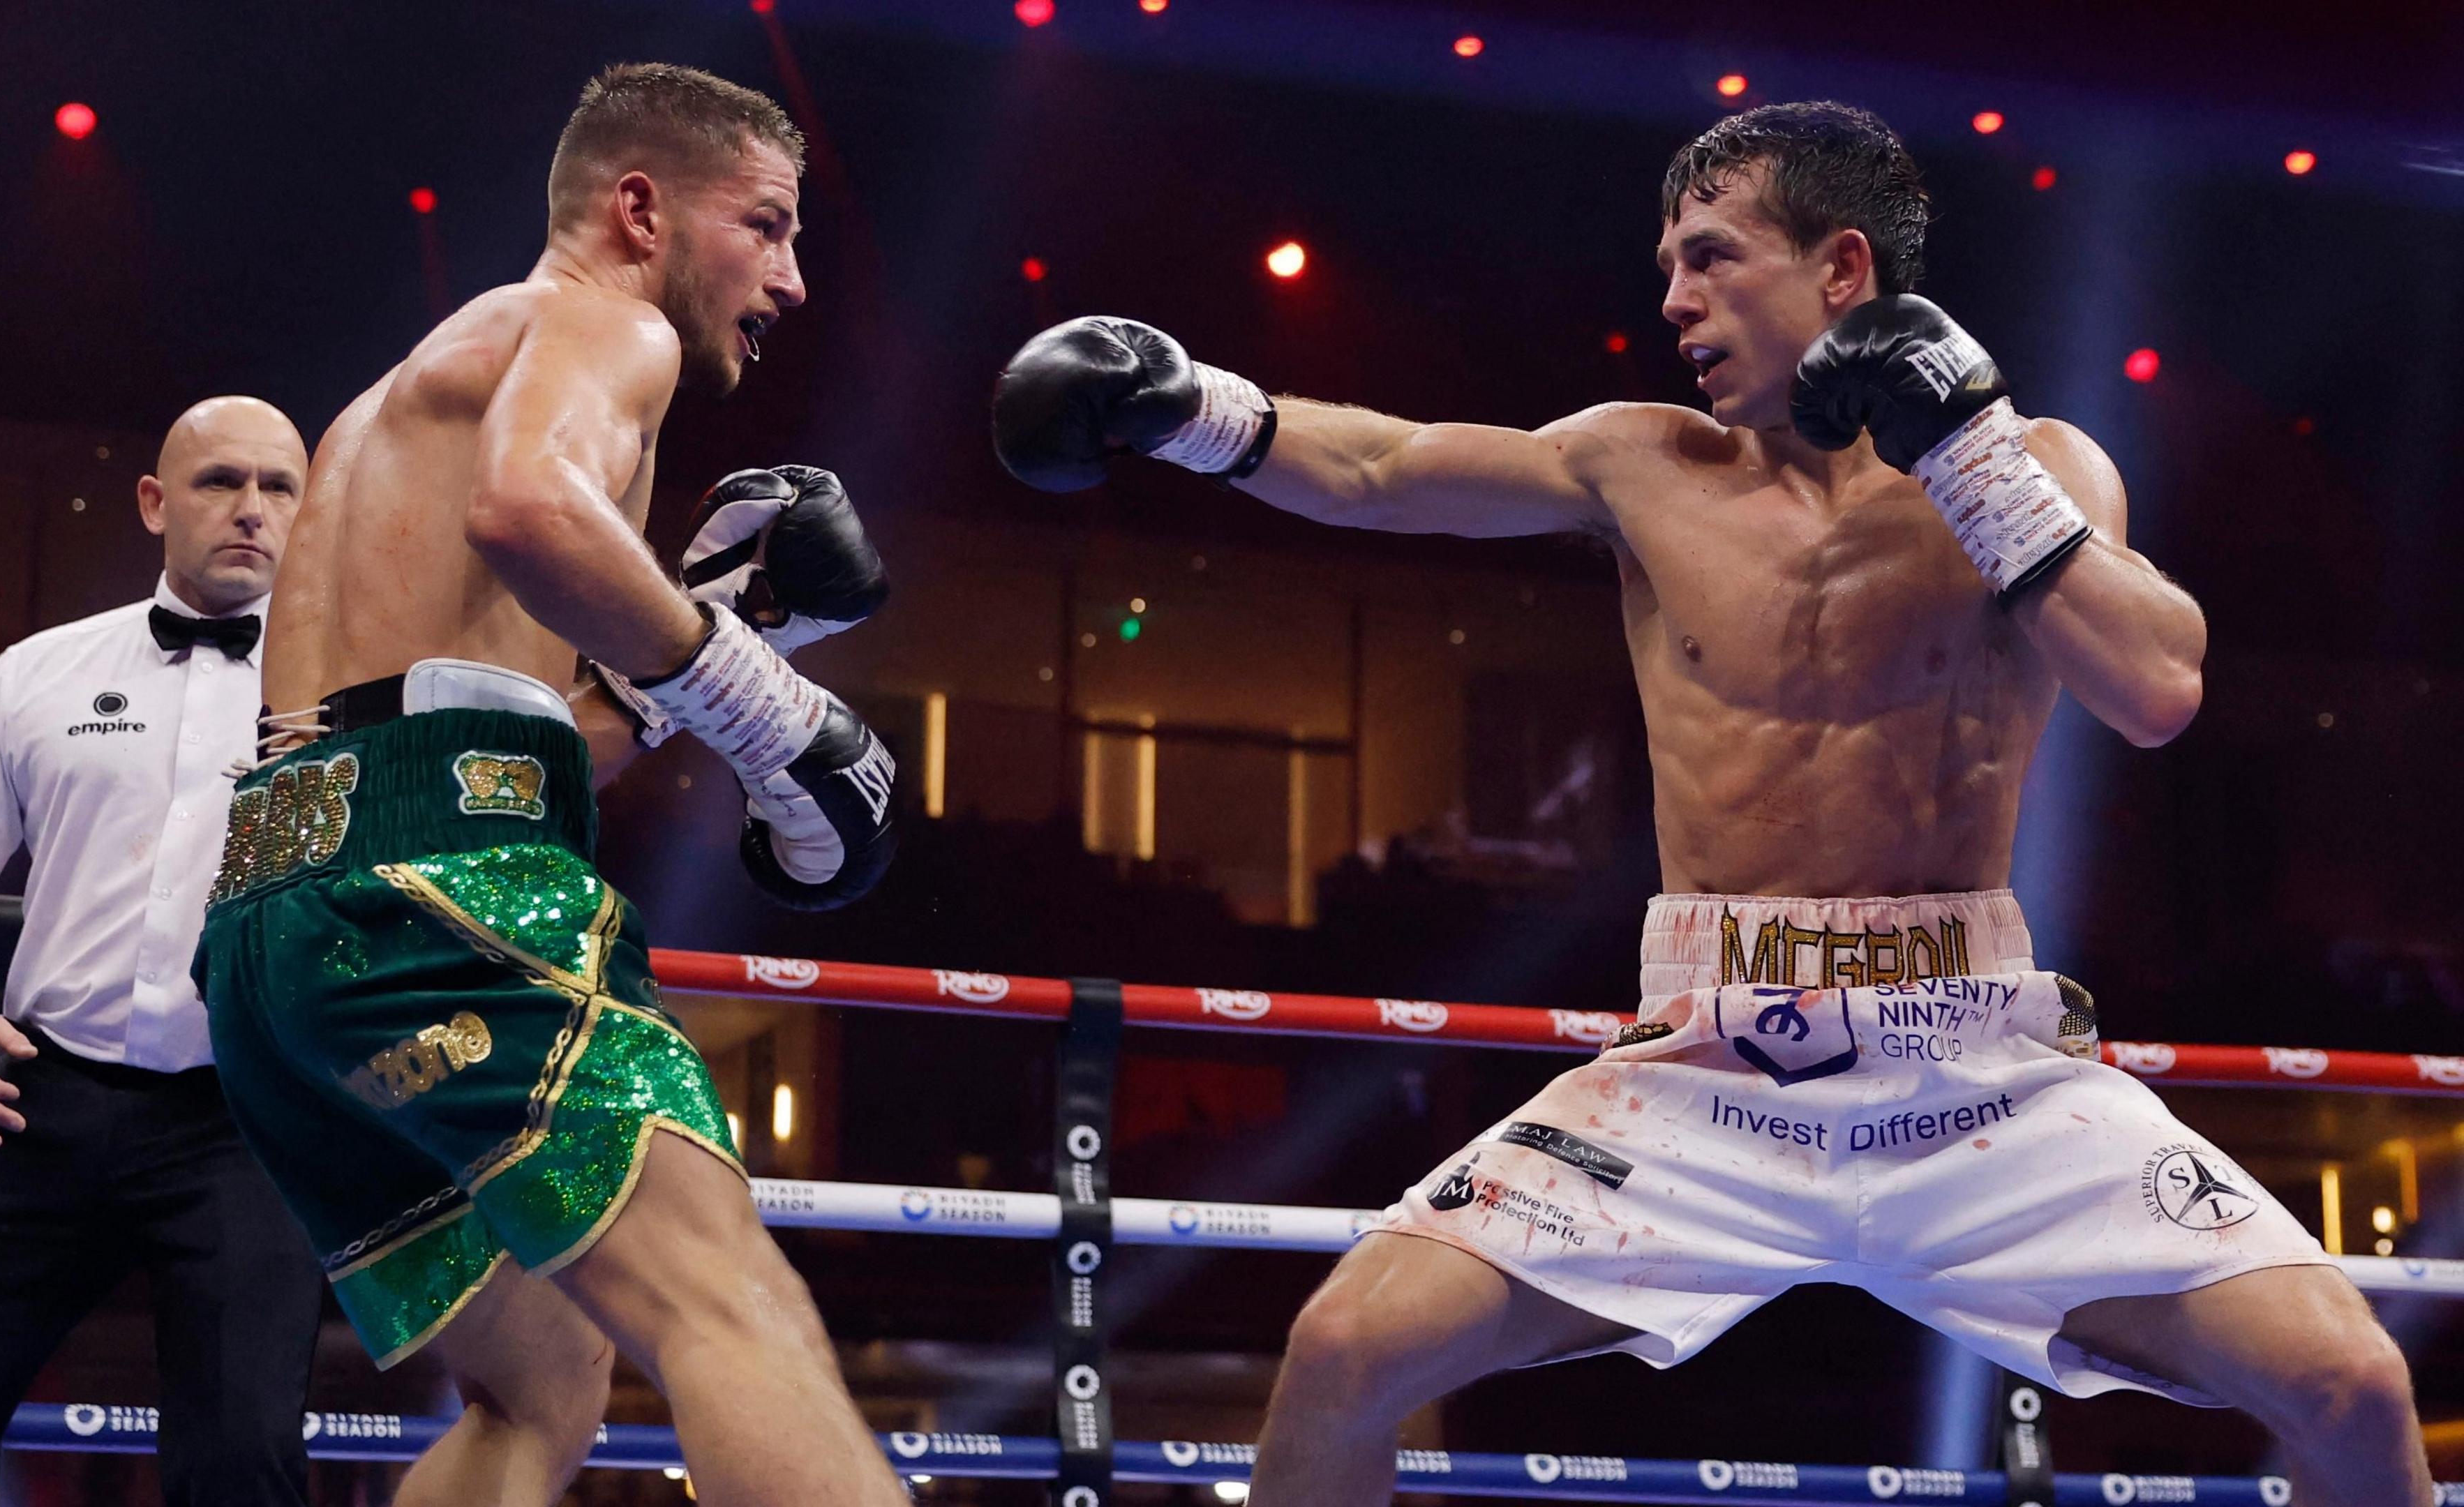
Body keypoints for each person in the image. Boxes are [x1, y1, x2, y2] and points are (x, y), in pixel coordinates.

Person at [992, 101, 2428, 1504]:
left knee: (2352, 1386)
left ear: (1844, 269)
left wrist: (1971, 454)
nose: (1673, 296)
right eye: (1669, 262)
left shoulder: (2035, 465)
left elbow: (2159, 685)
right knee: (1349, 1344)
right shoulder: (1642, 464)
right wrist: (1186, 410)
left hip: (1976, 1068)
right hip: (1710, 1065)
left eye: (1712, 255)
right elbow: (1381, 467)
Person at [194, 63, 904, 1507]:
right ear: (640, 209)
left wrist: (685, 666)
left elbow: (482, 744)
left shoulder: (391, 404)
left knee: (543, 1384)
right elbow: (524, 511)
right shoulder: (605, 324)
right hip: (428, 885)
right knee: (735, 1310)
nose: (794, 278)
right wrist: (767, 709)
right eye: (765, 226)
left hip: (285, 927)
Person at [0, 398, 325, 1506]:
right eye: (219, 482)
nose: (251, 509)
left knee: (245, 1468)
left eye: (279, 486)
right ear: (156, 502)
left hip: (245, 1123)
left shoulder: (357, 695)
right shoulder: (40, 674)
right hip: (39, 1107)